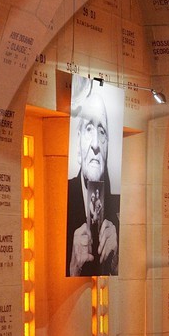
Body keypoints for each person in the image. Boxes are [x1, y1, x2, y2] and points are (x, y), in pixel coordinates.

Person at [67, 86, 119, 276]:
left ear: (108, 148)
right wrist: (73, 268)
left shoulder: (120, 208)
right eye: (89, 129)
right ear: (79, 144)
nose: (96, 144)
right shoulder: (62, 195)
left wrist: (116, 263)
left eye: (102, 131)